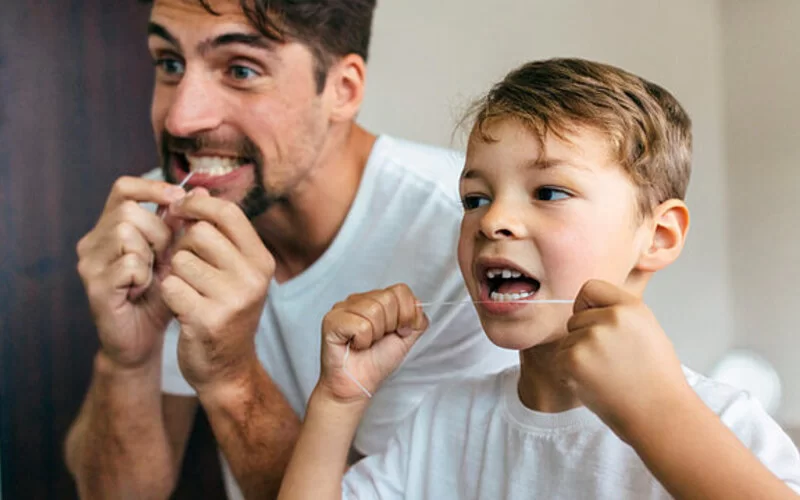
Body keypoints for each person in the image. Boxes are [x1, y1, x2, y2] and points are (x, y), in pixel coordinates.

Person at [277, 58, 800, 499]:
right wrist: (338, 401)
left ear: (659, 236)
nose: (491, 220)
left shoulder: (723, 419)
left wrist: (657, 414)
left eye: (548, 192)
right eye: (474, 199)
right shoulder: (445, 421)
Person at [63, 0, 517, 498]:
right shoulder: (164, 219)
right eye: (170, 63)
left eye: (240, 69)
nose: (180, 120)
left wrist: (231, 377)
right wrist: (126, 359)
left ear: (342, 91)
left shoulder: (470, 240)